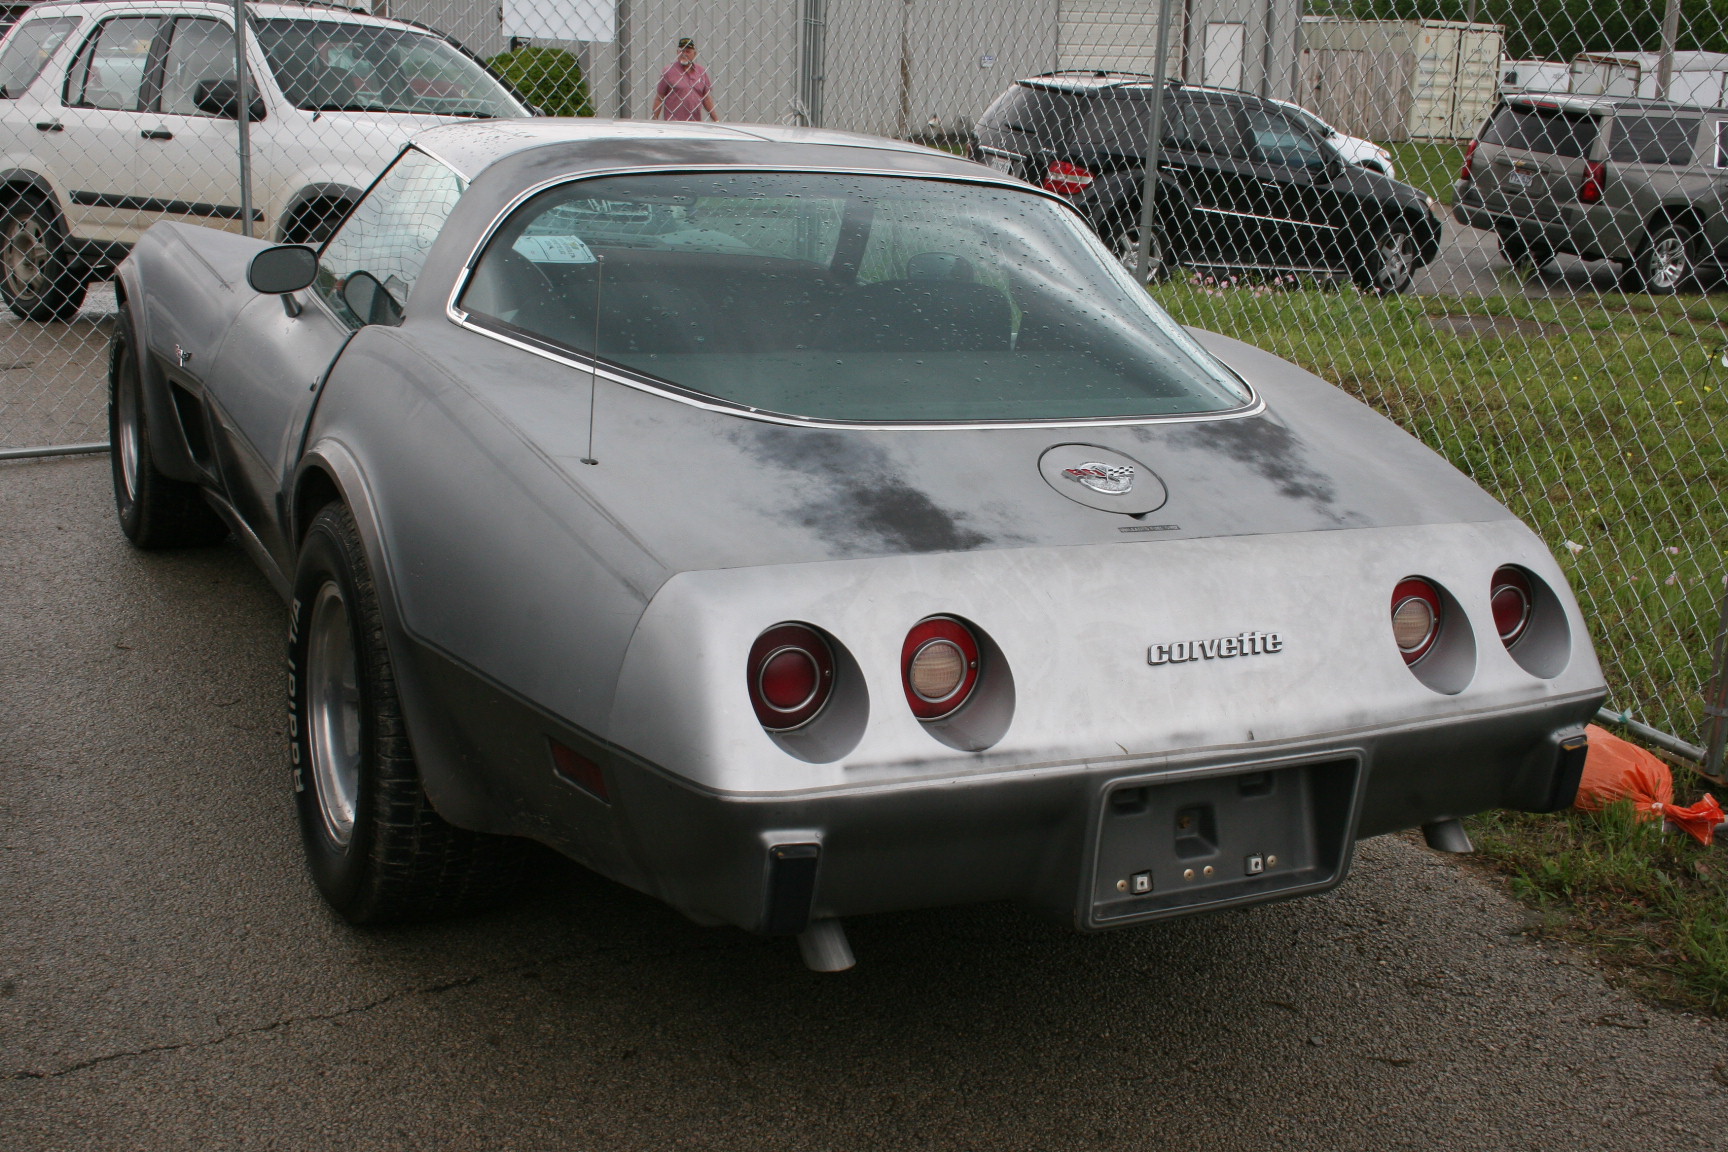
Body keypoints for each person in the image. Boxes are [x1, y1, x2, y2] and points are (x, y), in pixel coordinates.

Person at [652, 37, 717, 122]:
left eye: (688, 51)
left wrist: (716, 120)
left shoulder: (701, 72)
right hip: (674, 124)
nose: (684, 54)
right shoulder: (668, 71)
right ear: (677, 52)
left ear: (694, 54)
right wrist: (654, 119)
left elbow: (706, 99)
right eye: (681, 51)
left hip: (695, 124)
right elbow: (659, 98)